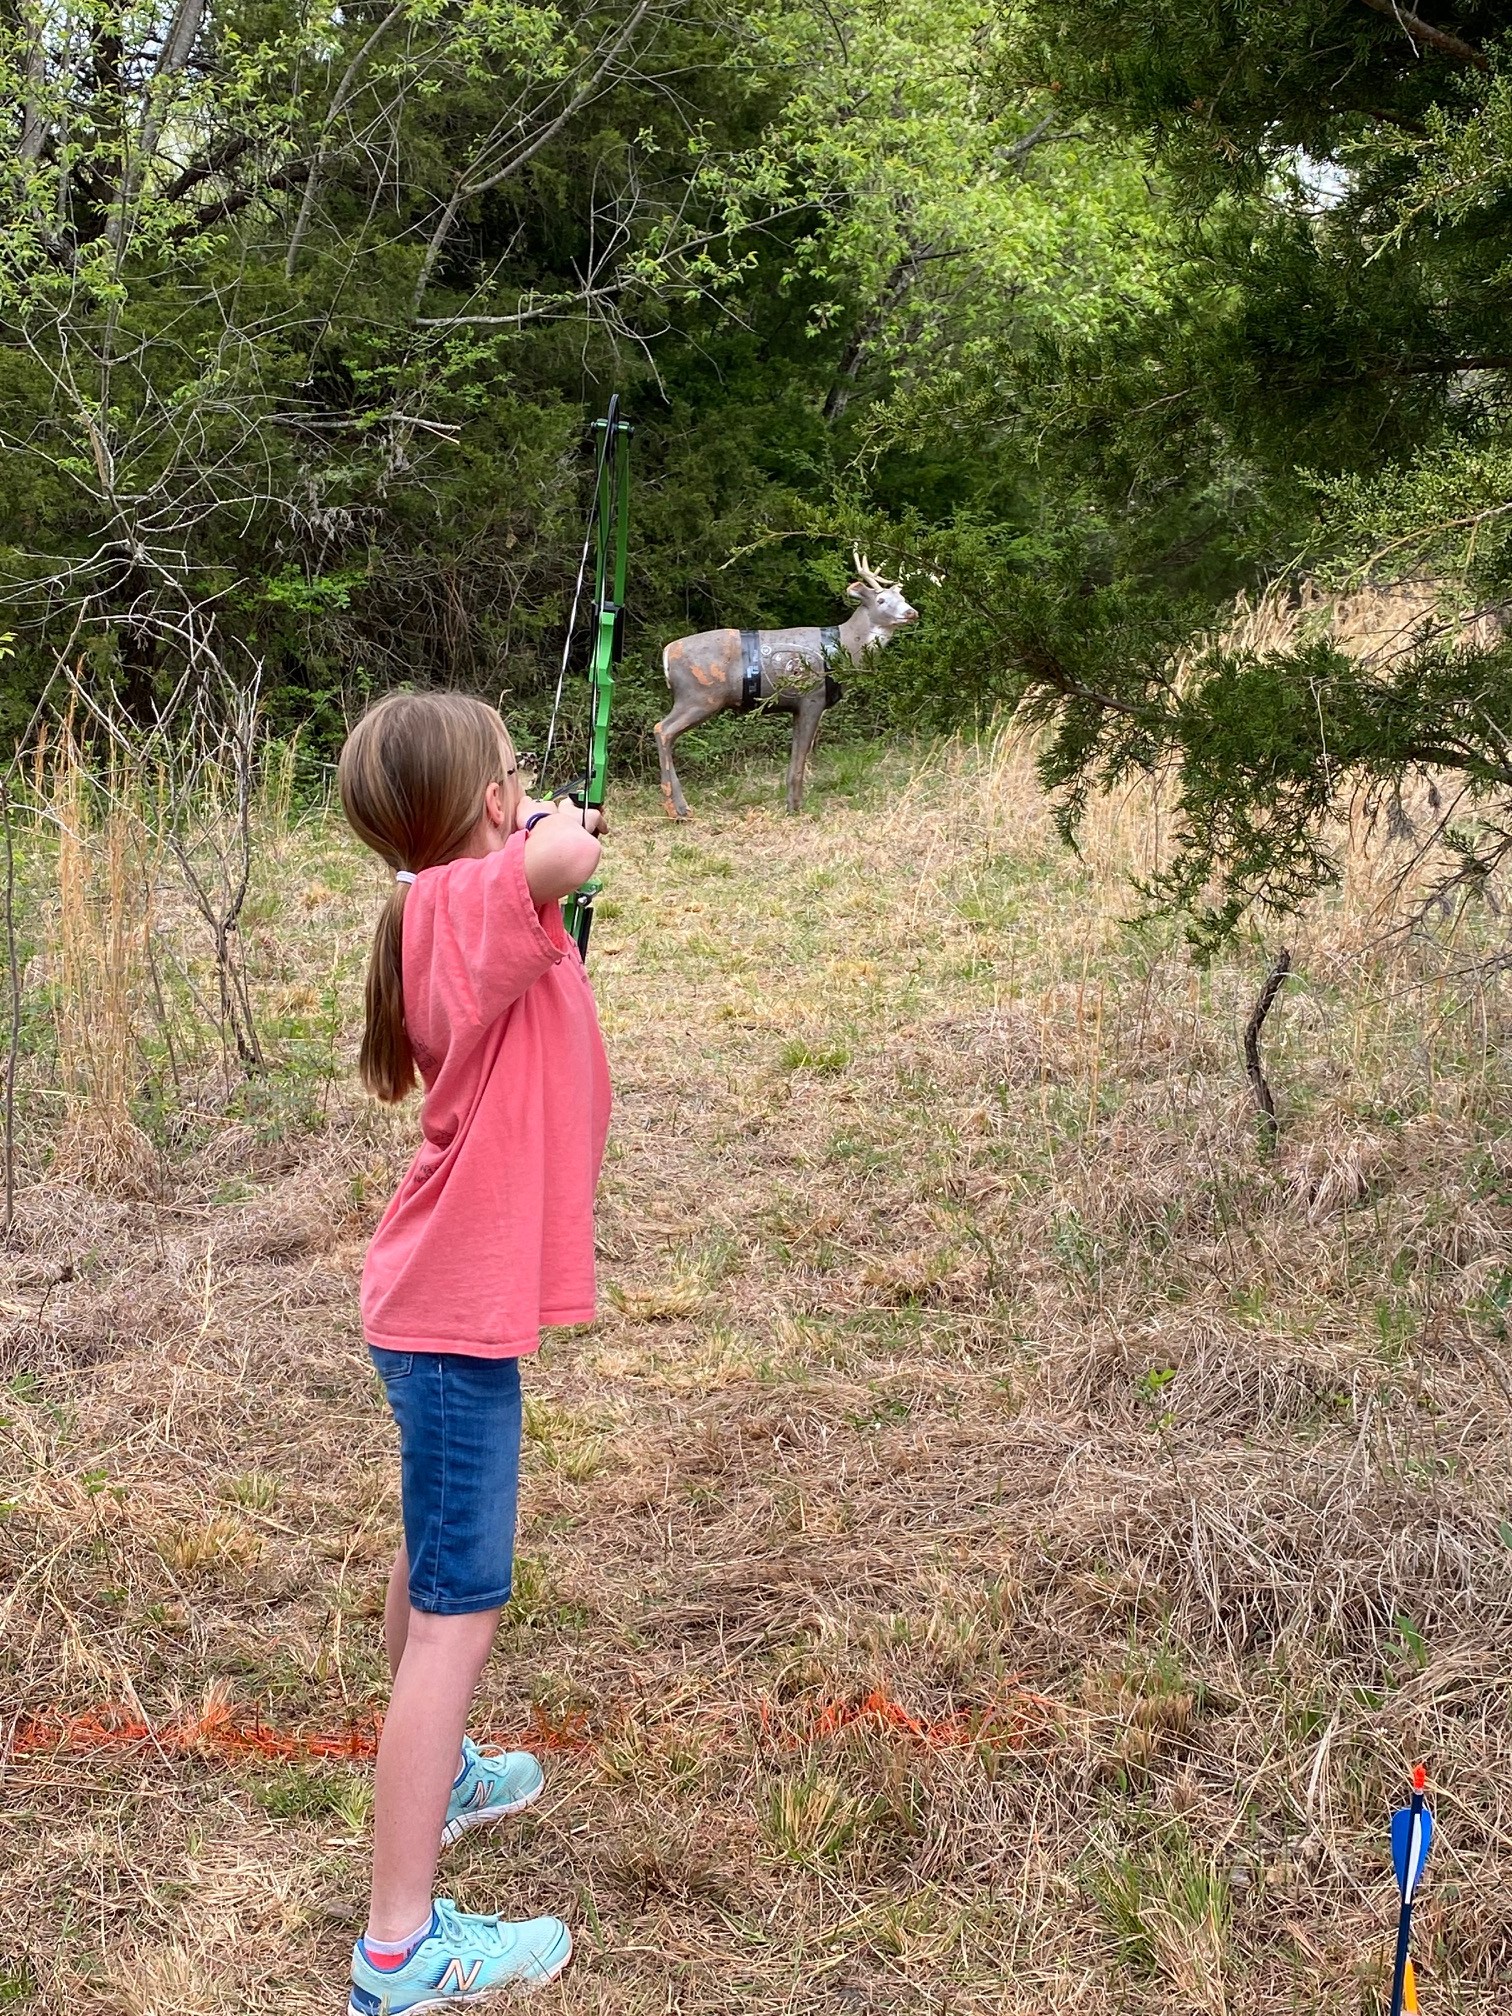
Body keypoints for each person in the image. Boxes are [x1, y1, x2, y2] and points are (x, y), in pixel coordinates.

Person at [337, 690, 610, 2014]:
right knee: (460, 1611)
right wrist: (558, 831)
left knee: (431, 1554)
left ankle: (436, 1776)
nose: (536, 788)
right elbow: (563, 857)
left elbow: (548, 879)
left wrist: (535, 830)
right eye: (516, 772)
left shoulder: (455, 910)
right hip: (445, 1319)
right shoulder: (460, 902)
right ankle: (398, 1951)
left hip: (437, 1312)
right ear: (479, 808)